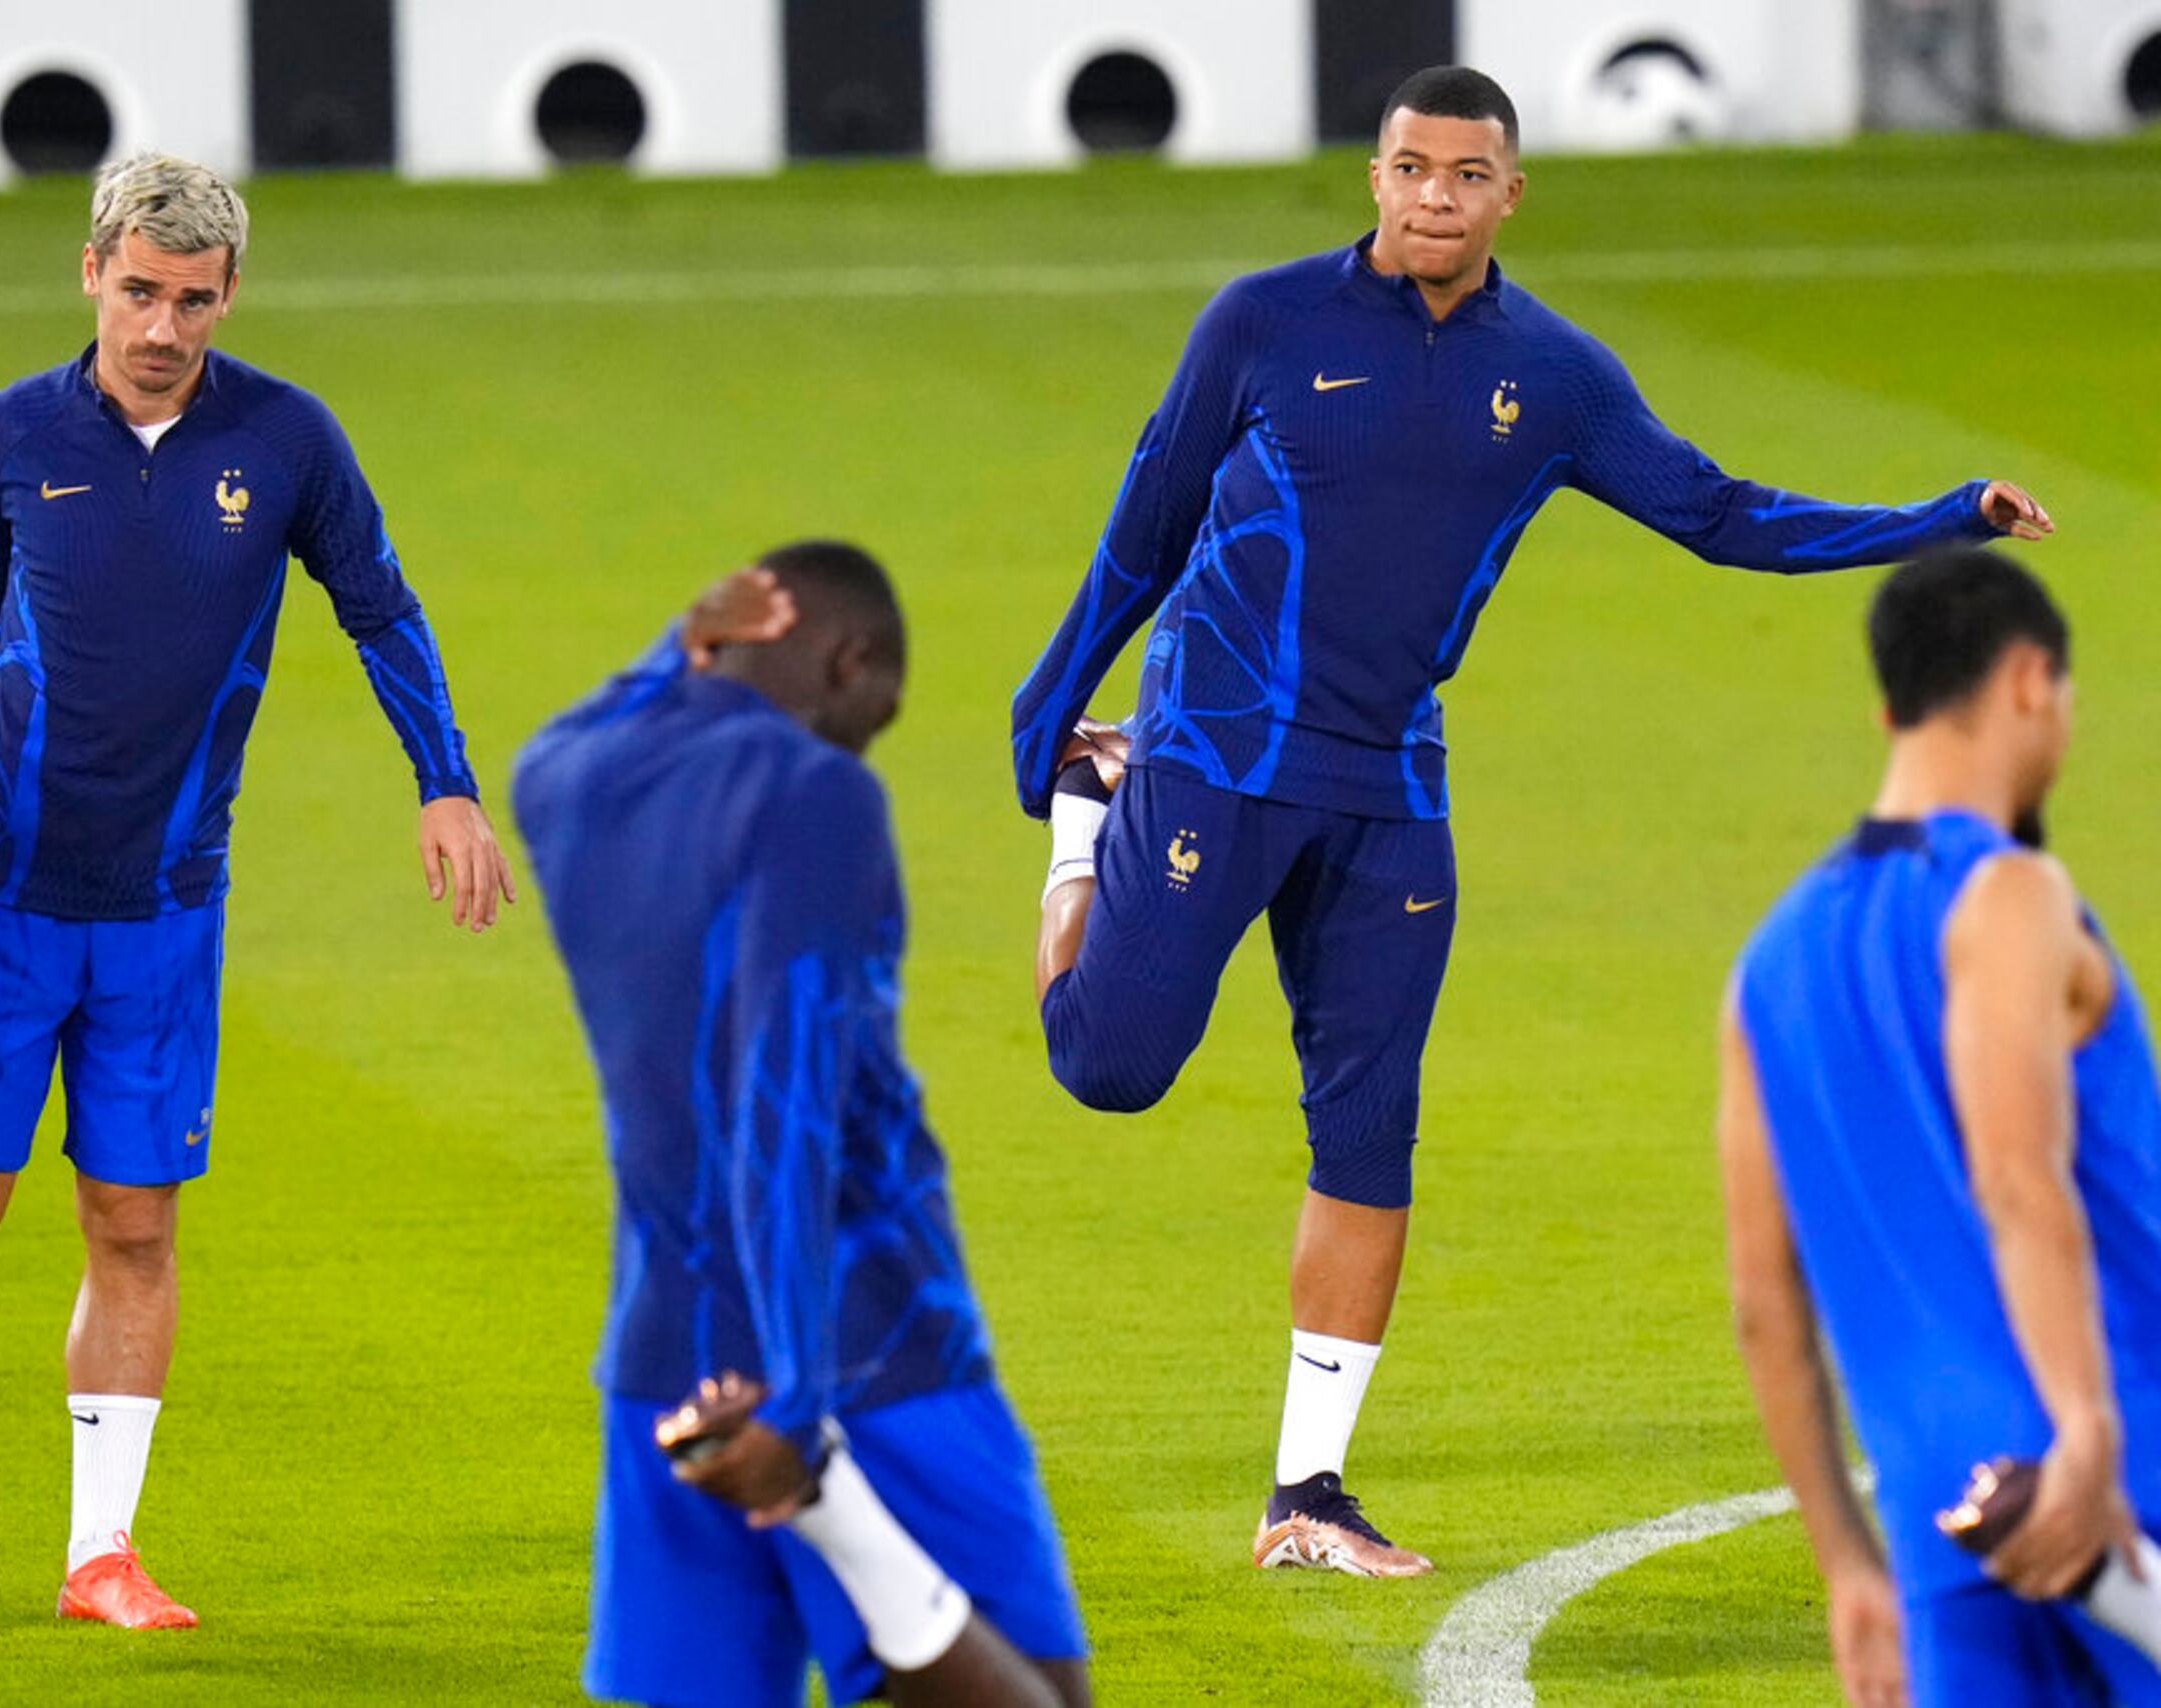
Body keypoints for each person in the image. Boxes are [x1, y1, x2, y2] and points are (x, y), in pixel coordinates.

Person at [1008, 62, 2055, 1576]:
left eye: (1465, 174)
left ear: (1512, 192)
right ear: (1375, 177)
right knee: (1109, 1069)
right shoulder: (1263, 323)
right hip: (1215, 754)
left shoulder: (1553, 378)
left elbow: (1719, 515)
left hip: (1388, 789)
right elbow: (1146, 522)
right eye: (1409, 168)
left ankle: (1307, 1493)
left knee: (1369, 1129)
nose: (1434, 196)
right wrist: (1053, 722)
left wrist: (1939, 517)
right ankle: (1086, 832)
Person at [0, 152, 515, 1628]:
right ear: (91, 269)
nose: (163, 325)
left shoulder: (284, 441)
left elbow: (381, 606)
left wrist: (447, 780)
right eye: (141, 290)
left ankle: (101, 1556)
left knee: (137, 1225)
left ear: (232, 296)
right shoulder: (13, 435)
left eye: (194, 301)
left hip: (167, 904)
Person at [514, 547, 1090, 1707]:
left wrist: (680, 636)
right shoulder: (816, 796)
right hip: (864, 1342)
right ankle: (835, 1509)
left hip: (662, 1363)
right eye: (880, 709)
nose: (868, 737)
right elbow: (781, 1105)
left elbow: (578, 724)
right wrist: (798, 1411)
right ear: (848, 658)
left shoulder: (565, 778)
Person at [1720, 546, 2161, 1707]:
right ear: (2027, 680)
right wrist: (2083, 1429)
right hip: (2117, 1487)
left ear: (1887, 708)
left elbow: (1764, 1305)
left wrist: (1846, 1568)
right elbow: (2019, 1180)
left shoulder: (1767, 968)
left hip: (1943, 1539)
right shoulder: (2010, 894)